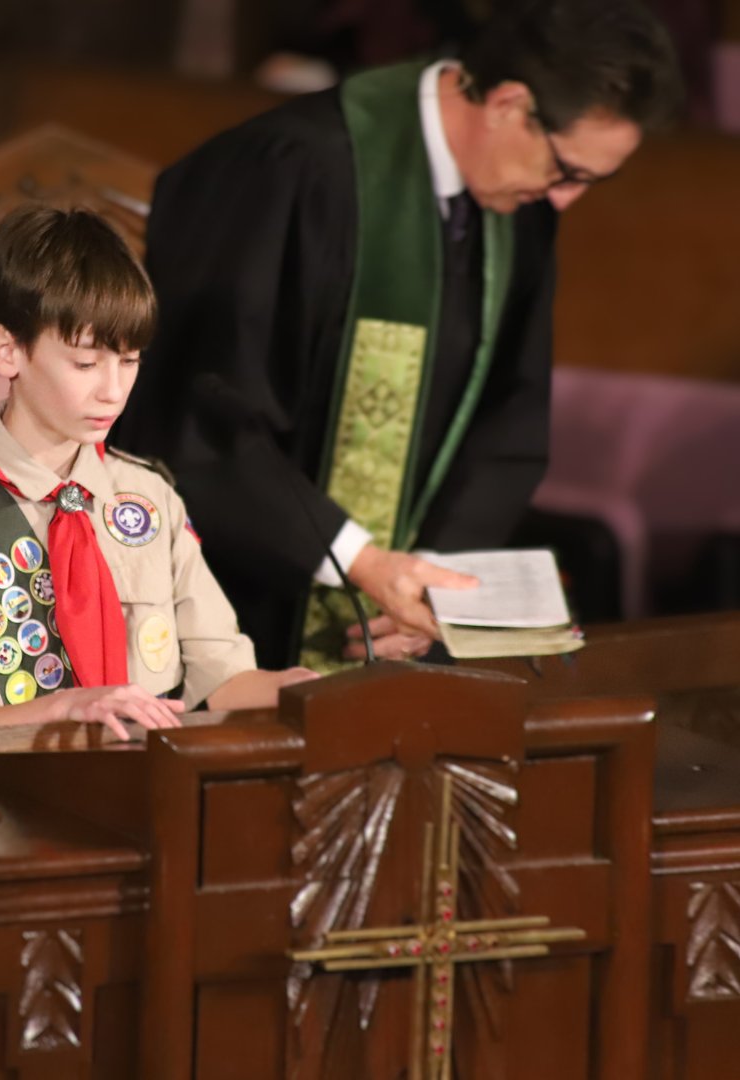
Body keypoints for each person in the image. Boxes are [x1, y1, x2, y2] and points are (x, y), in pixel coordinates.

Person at [114, 0, 683, 672]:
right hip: (234, 618)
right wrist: (357, 559)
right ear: (506, 104)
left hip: (399, 630)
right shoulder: (286, 167)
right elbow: (194, 411)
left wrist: (429, 592)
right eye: (569, 171)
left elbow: (508, 419)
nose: (566, 199)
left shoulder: (519, 205)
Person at [0, 206, 315, 771]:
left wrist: (301, 691)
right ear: (8, 350)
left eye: (129, 362)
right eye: (84, 363)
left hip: (151, 797)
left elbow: (220, 678)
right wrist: (57, 710)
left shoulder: (148, 501)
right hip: (6, 819)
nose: (113, 391)